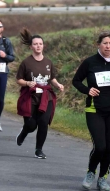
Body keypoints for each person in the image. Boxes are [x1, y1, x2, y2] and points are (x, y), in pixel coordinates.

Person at [72, 31, 110, 191]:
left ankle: (103, 178)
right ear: (99, 44)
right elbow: (76, 81)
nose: (107, 46)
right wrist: (87, 90)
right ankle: (91, 172)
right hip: (94, 109)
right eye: (104, 43)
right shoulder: (90, 62)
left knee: (109, 147)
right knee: (100, 146)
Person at [15, 28, 64, 159]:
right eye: (35, 44)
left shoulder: (48, 62)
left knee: (43, 123)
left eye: (40, 44)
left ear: (43, 45)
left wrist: (58, 84)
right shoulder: (26, 62)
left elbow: (51, 78)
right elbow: (19, 79)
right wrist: (27, 83)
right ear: (31, 46)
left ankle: (39, 149)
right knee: (31, 125)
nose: (38, 46)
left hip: (45, 97)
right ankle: (24, 132)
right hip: (30, 97)